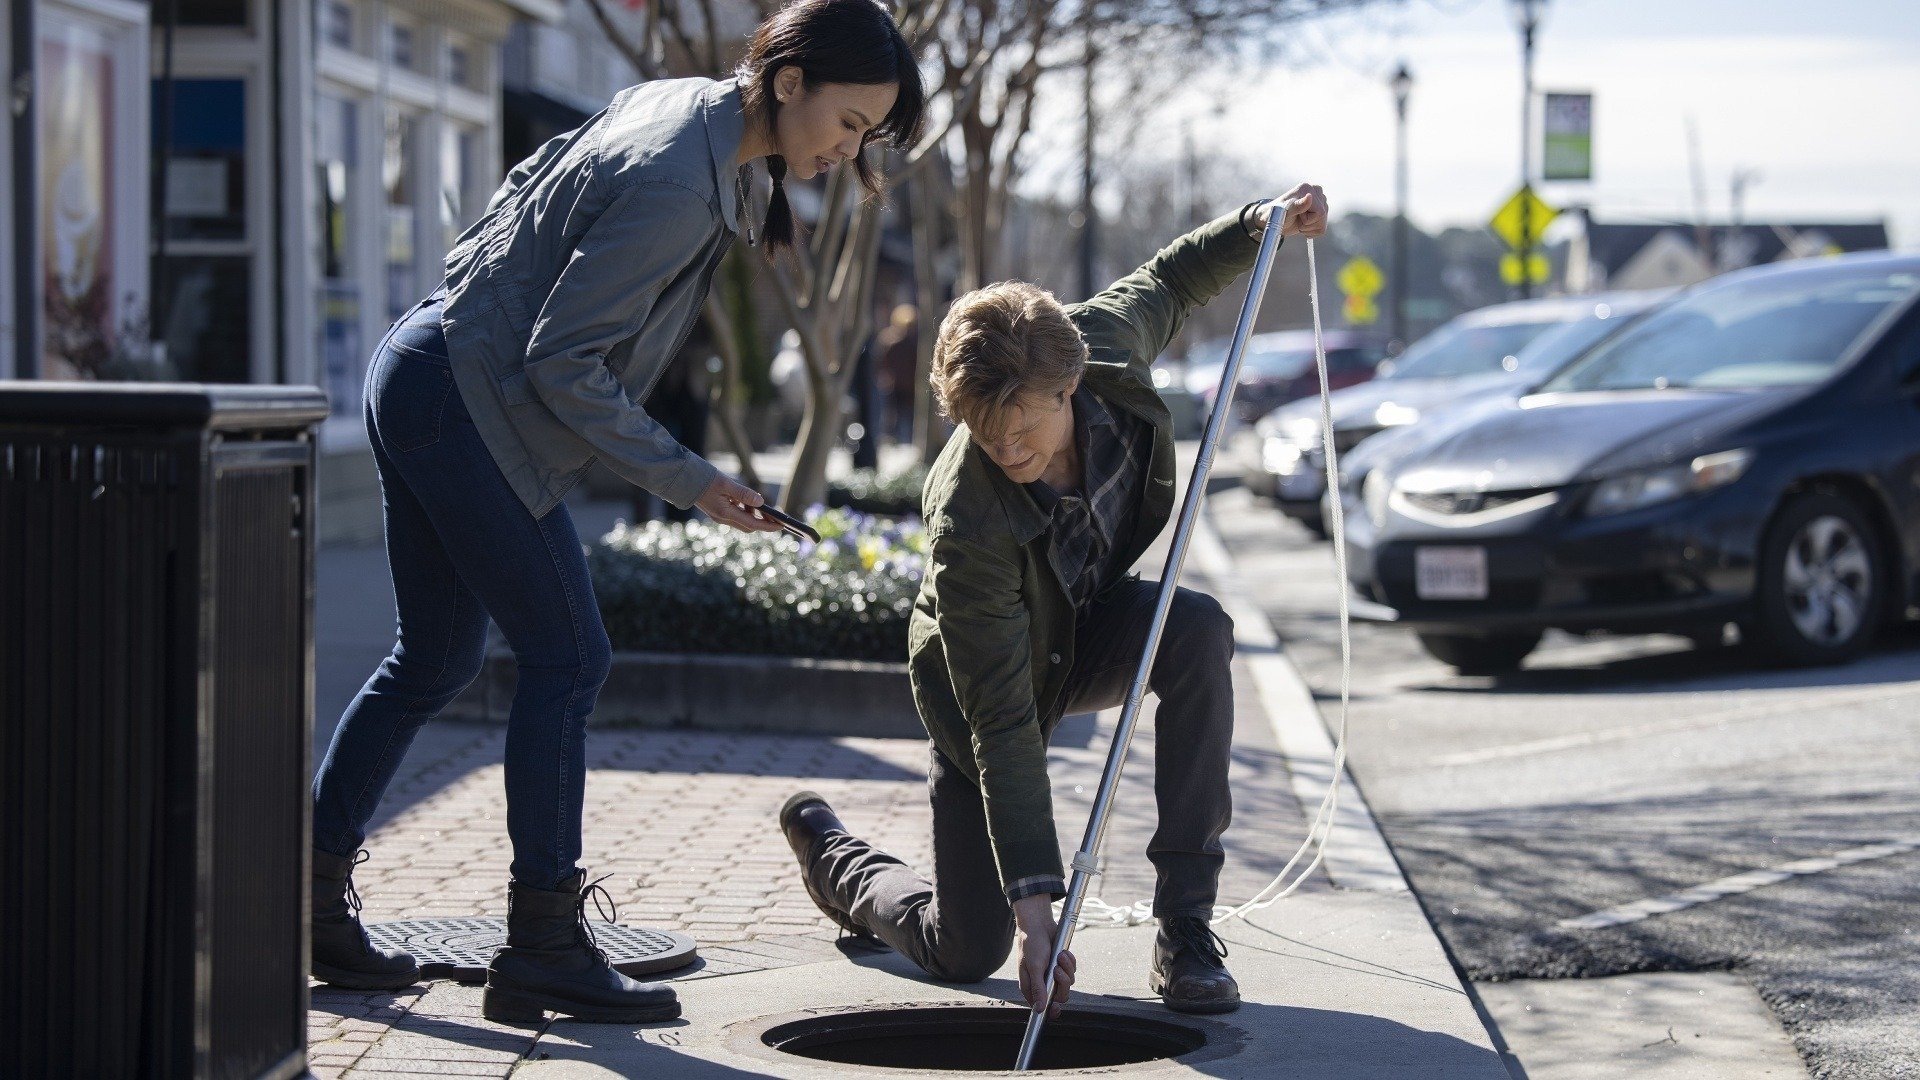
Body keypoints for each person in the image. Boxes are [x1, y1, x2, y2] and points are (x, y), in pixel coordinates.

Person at [308, 0, 924, 1027]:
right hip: (460, 399)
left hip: (425, 366)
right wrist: (691, 478)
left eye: (868, 133)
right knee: (569, 657)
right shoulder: (683, 179)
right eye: (851, 120)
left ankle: (310, 905)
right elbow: (564, 362)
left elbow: (522, 204)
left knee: (435, 660)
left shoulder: (679, 112)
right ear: (787, 82)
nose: (849, 146)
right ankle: (543, 941)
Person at [779, 186, 1329, 1017]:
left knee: (1196, 630)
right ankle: (835, 858)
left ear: (1066, 386)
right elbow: (1002, 721)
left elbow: (1175, 280)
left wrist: (1261, 223)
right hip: (984, 688)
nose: (1003, 447)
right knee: (968, 950)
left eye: (1020, 426)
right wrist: (1037, 914)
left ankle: (1185, 928)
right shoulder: (968, 514)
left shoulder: (1097, 344)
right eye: (981, 429)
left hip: (1085, 627)